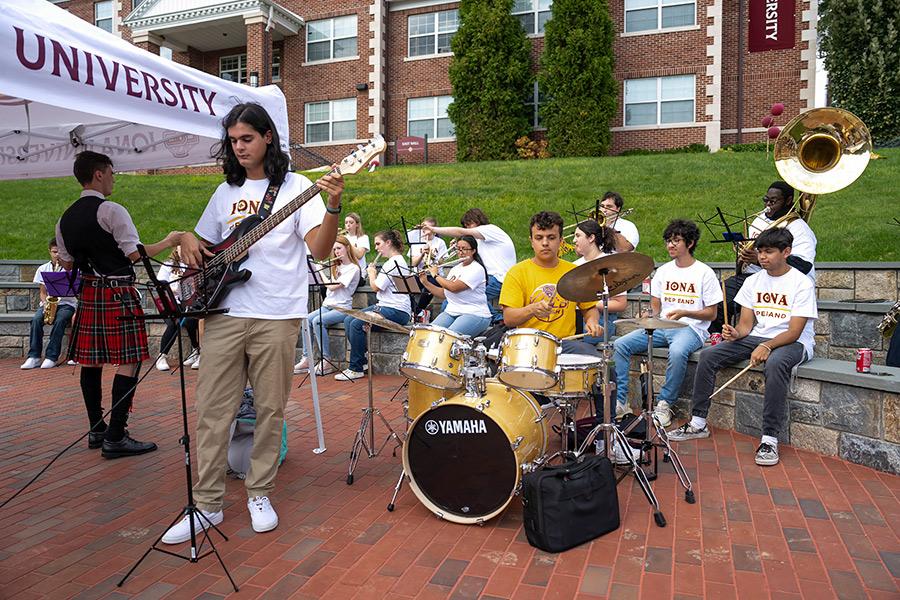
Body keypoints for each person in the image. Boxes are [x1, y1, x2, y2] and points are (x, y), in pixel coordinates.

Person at [167, 102, 344, 542]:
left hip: (277, 314)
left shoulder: (297, 187)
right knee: (212, 412)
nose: (239, 147)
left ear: (268, 136)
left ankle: (259, 491)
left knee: (270, 409)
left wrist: (334, 205)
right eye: (233, 141)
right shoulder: (224, 191)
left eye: (246, 138)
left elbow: (320, 250)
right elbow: (205, 248)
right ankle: (206, 504)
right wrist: (186, 237)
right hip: (226, 312)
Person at [56, 151, 185, 457]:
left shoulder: (65, 219)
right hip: (117, 293)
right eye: (111, 172)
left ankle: (96, 431)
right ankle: (116, 435)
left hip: (89, 295)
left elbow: (65, 262)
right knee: (130, 359)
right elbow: (136, 254)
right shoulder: (111, 210)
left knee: (90, 361)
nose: (114, 178)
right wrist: (169, 241)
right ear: (99, 174)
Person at [669, 228, 817, 467]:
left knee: (777, 363)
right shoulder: (754, 280)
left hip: (795, 342)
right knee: (708, 355)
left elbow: (794, 331)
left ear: (786, 252)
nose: (762, 257)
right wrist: (736, 333)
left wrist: (767, 346)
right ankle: (698, 422)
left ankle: (769, 439)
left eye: (769, 252)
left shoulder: (801, 283)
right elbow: (747, 325)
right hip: (759, 337)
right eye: (760, 252)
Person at [500, 212, 635, 463]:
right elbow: (509, 318)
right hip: (529, 344)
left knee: (605, 370)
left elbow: (587, 307)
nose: (545, 243)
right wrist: (531, 309)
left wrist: (593, 322)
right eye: (539, 237)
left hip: (565, 344)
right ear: (531, 240)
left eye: (551, 237)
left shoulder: (573, 271)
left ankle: (606, 439)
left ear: (561, 240)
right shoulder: (518, 273)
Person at [613, 219, 722, 427]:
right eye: (668, 241)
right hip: (662, 326)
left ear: (689, 244)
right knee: (620, 344)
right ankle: (621, 401)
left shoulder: (704, 273)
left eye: (676, 241)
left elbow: (712, 314)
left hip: (691, 329)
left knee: (678, 351)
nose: (670, 245)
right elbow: (655, 307)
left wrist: (685, 312)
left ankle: (665, 404)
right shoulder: (663, 271)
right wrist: (647, 315)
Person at [713, 181, 817, 332]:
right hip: (756, 276)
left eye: (773, 201)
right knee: (715, 297)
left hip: (785, 280)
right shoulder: (759, 220)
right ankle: (716, 337)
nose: (768, 205)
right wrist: (743, 250)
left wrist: (756, 258)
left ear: (788, 201)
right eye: (766, 200)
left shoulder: (800, 229)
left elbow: (803, 265)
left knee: (724, 300)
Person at [336, 229, 412, 381]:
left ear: (388, 243)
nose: (376, 248)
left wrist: (371, 273)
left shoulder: (394, 262)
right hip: (385, 306)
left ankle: (355, 368)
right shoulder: (395, 261)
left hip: (396, 310)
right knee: (348, 320)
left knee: (357, 324)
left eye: (378, 244)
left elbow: (376, 287)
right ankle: (362, 361)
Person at [422, 208, 516, 323]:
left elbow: (461, 232)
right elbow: (466, 260)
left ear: (477, 221)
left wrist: (432, 229)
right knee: (454, 299)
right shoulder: (480, 240)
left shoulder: (489, 229)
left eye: (468, 225)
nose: (467, 229)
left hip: (499, 278)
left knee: (453, 300)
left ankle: (499, 319)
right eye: (465, 226)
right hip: (488, 277)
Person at [294, 235, 361, 375]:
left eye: (339, 248)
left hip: (342, 308)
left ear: (347, 248)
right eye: (335, 249)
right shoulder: (336, 266)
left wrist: (319, 272)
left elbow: (333, 287)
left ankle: (326, 360)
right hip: (327, 306)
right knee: (306, 319)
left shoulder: (353, 268)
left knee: (318, 321)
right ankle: (307, 359)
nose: (336, 252)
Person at [417, 235, 492, 337]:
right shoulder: (455, 269)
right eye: (458, 249)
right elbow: (444, 293)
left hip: (474, 313)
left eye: (464, 249)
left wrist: (435, 275)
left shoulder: (477, 269)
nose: (460, 252)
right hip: (451, 311)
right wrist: (425, 282)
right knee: (430, 334)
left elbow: (454, 288)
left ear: (473, 250)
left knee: (448, 338)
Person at [21, 237, 77, 370]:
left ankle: (51, 357)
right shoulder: (43, 268)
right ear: (49, 252)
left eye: (60, 252)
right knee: (36, 320)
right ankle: (34, 356)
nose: (57, 255)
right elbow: (42, 292)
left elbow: (76, 290)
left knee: (60, 320)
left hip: (67, 303)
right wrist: (46, 302)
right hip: (49, 303)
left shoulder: (72, 269)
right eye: (54, 252)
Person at [571, 220, 627, 343]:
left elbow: (621, 304)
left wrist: (588, 305)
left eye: (578, 236)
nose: (574, 241)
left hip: (603, 318)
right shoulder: (573, 266)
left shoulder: (610, 264)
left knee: (587, 336)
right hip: (574, 316)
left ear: (591, 238)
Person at [154, 246, 201, 371]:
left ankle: (197, 351)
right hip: (171, 303)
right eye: (181, 247)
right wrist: (174, 289)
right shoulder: (169, 264)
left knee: (191, 319)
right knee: (174, 323)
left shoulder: (194, 264)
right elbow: (160, 282)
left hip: (187, 302)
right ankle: (162, 356)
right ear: (176, 249)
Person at [409, 217, 449, 319]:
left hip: (433, 273)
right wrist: (422, 254)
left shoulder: (440, 242)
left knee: (428, 288)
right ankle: (418, 312)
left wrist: (432, 257)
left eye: (427, 228)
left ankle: (420, 311)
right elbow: (413, 263)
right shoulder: (416, 242)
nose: (424, 231)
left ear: (434, 230)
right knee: (406, 288)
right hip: (418, 272)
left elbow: (441, 261)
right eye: (423, 228)